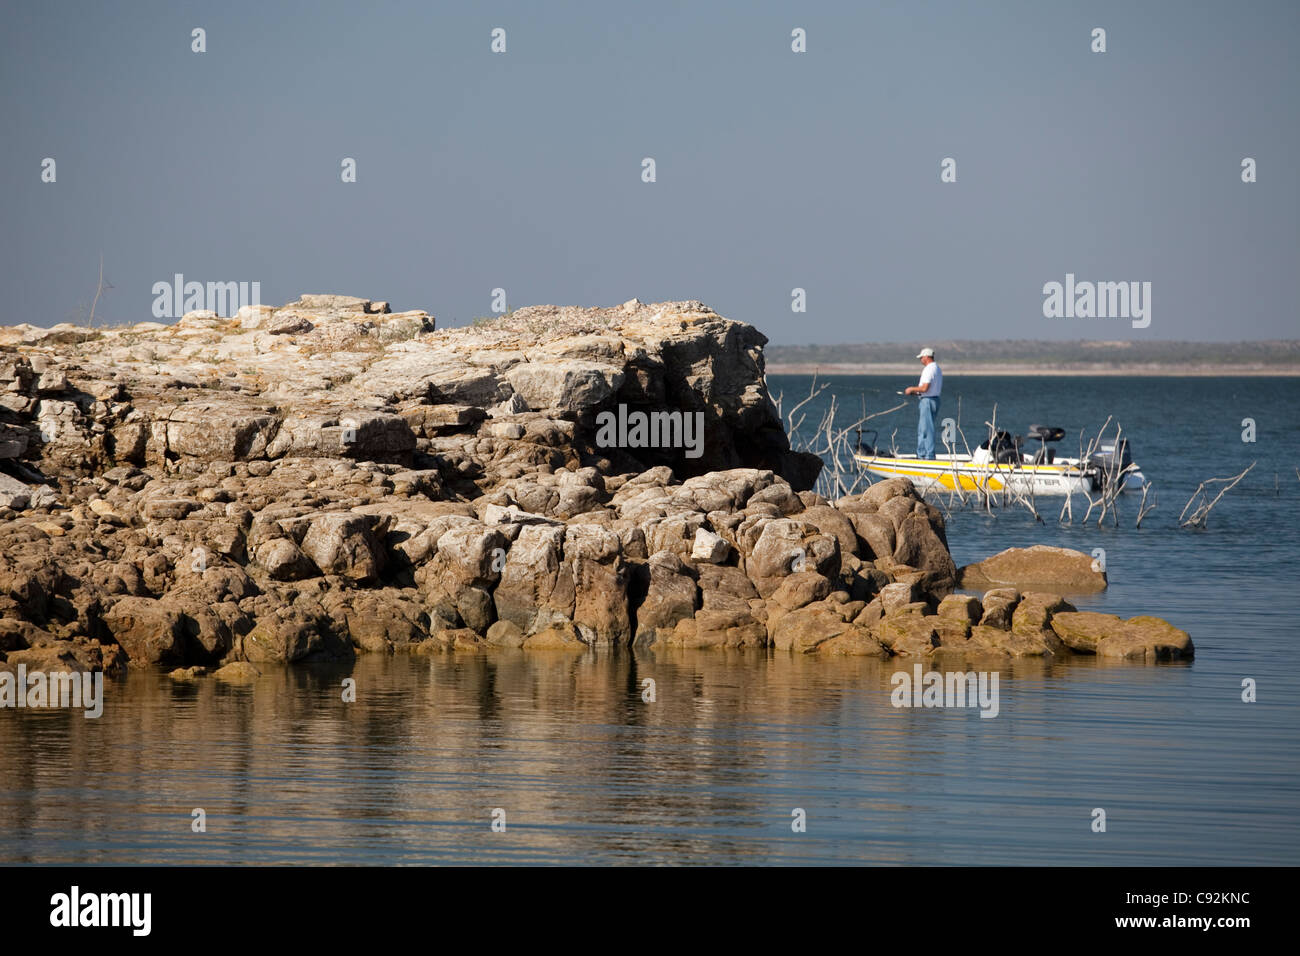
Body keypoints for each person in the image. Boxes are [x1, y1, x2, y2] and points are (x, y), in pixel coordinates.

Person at [904, 347, 942, 459]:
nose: (920, 360)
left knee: (926, 429)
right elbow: (929, 390)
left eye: (921, 357)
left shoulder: (929, 369)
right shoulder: (937, 368)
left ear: (926, 357)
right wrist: (916, 393)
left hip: (927, 402)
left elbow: (925, 388)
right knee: (923, 429)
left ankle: (928, 456)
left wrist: (911, 389)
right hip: (933, 399)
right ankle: (921, 454)